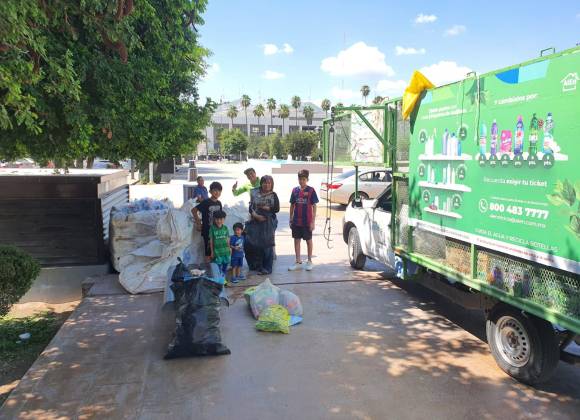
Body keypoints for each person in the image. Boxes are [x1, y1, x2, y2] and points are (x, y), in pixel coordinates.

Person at [247, 175, 279, 275]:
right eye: (265, 182)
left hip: (268, 221)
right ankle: (256, 266)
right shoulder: (254, 192)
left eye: (269, 183)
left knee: (267, 245)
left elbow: (276, 209)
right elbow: (250, 207)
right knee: (252, 243)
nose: (266, 185)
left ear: (272, 184)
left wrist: (267, 208)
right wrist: (255, 215)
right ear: (261, 183)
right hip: (256, 219)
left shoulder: (273, 195)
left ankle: (267, 268)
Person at [288, 169, 319, 271]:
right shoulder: (294, 190)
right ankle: (298, 261)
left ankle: (309, 261)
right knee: (296, 240)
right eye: (300, 179)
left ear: (307, 179)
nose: (302, 181)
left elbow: (314, 206)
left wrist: (313, 221)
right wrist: (290, 218)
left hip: (307, 222)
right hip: (296, 221)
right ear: (298, 179)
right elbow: (292, 205)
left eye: (304, 179)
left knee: (308, 241)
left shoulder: (311, 190)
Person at [192, 181, 223, 262]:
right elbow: (194, 210)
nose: (217, 192)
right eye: (215, 190)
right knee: (208, 250)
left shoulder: (219, 203)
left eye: (219, 191)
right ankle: (210, 267)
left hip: (217, 230)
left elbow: (221, 217)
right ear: (210, 191)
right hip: (208, 230)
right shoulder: (206, 202)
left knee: (216, 248)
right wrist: (198, 223)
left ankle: (215, 267)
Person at [209, 210, 230, 280]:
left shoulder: (225, 228)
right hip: (217, 252)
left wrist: (229, 248)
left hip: (226, 251)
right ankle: (219, 279)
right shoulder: (212, 228)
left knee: (225, 265)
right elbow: (211, 241)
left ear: (224, 219)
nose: (219, 221)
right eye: (217, 219)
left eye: (221, 219)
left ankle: (223, 278)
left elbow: (227, 239)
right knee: (218, 266)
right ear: (214, 219)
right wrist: (212, 252)